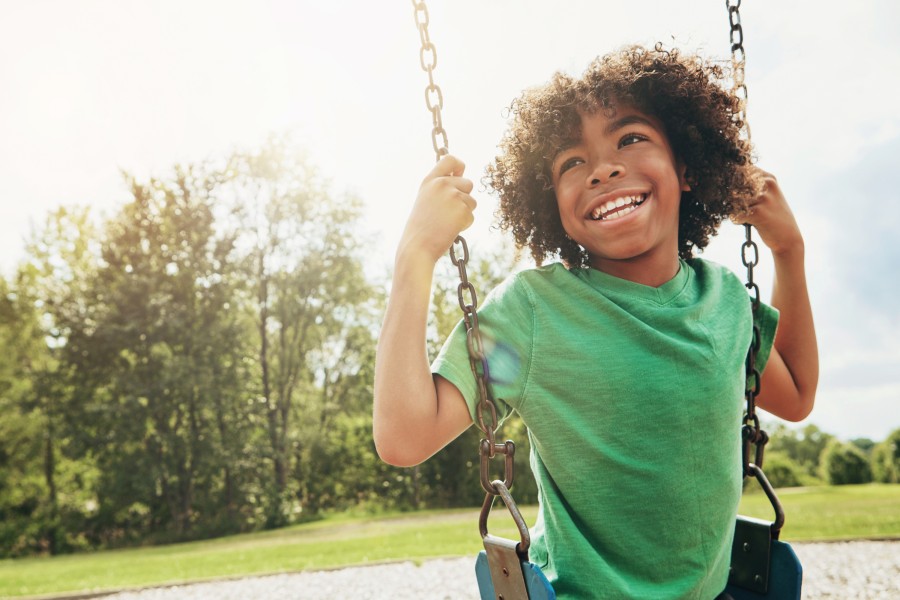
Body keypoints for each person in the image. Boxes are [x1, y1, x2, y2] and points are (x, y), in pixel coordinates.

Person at [373, 45, 818, 599]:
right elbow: (404, 436)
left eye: (631, 138)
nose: (603, 168)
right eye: (570, 162)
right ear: (550, 203)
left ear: (685, 167)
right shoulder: (534, 313)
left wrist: (788, 249)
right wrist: (415, 256)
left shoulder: (723, 298)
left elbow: (796, 394)